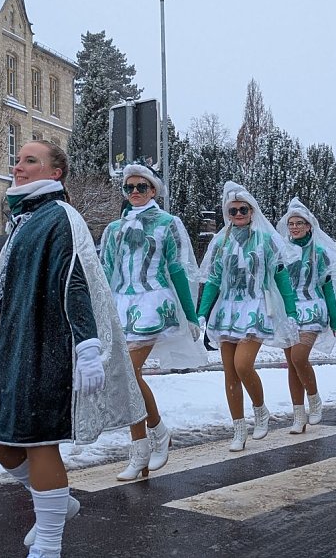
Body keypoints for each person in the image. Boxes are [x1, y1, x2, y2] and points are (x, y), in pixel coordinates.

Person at [0, 140, 145, 558]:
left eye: (30, 161)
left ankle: (49, 543)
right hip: (9, 345)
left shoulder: (60, 216)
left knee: (38, 441)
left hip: (46, 344)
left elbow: (75, 280)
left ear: (55, 173)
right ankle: (58, 503)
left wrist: (87, 346)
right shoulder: (25, 218)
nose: (18, 166)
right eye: (17, 160)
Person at [100, 163, 205, 480]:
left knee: (129, 373)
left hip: (154, 304)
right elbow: (105, 274)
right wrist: (100, 311)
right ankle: (151, 437)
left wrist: (190, 313)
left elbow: (177, 270)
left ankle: (147, 442)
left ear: (154, 191)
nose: (134, 192)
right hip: (122, 304)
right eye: (129, 187)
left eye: (141, 187)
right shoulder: (114, 230)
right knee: (124, 376)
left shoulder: (168, 224)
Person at [198, 181, 300, 452]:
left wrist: (290, 311)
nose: (238, 214)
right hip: (227, 309)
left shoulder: (266, 240)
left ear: (252, 211)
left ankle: (260, 409)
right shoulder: (220, 242)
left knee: (243, 365)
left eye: (243, 209)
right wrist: (201, 313)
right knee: (229, 372)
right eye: (233, 211)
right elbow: (213, 280)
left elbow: (281, 277)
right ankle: (238, 428)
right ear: (227, 214)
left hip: (256, 306)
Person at [276, 198, 336, 431]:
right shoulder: (282, 251)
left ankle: (314, 399)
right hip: (289, 311)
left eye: (299, 223)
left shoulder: (320, 253)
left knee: (298, 358)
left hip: (313, 309)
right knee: (291, 364)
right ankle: (298, 415)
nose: (294, 227)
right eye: (291, 223)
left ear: (309, 226)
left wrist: (335, 318)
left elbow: (327, 286)